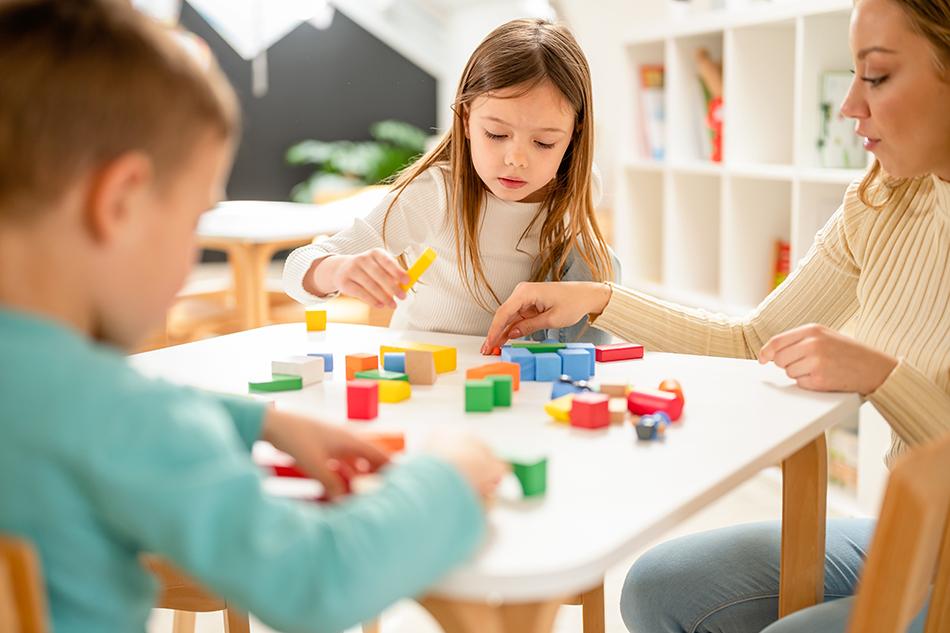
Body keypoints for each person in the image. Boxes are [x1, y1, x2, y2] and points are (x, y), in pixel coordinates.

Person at [0, 2, 506, 631]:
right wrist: (448, 476)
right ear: (121, 202)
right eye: (194, 221)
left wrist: (258, 420)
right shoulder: (126, 425)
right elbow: (317, 580)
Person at [481, 0, 950, 630]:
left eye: (879, 76)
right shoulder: (884, 203)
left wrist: (882, 376)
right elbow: (755, 337)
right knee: (658, 586)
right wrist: (601, 300)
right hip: (920, 539)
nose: (850, 108)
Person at [283, 18, 619, 344]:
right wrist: (336, 270)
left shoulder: (581, 186)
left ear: (574, 134)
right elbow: (296, 269)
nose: (516, 158)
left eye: (544, 142)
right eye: (496, 134)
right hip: (425, 367)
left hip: (515, 373)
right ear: (467, 118)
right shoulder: (437, 193)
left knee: (604, 263)